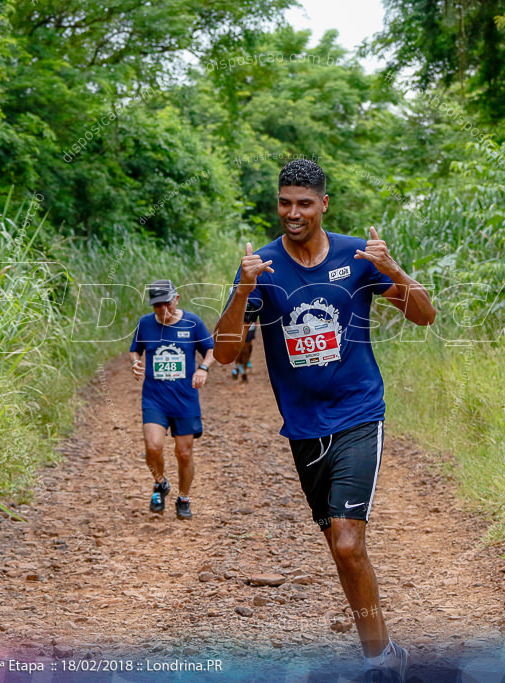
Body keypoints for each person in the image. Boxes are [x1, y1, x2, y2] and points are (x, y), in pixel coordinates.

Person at [212, 160, 436, 682]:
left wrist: (395, 269)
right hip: (304, 428)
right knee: (340, 550)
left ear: (323, 205)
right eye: (285, 202)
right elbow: (225, 355)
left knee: (347, 541)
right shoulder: (261, 268)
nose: (293, 213)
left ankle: (379, 664)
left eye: (304, 203)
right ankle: (384, 650)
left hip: (359, 412)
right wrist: (243, 290)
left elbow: (424, 315)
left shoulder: (358, 256)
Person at [130, 279, 215, 520]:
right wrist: (136, 363)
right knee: (153, 446)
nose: (163, 310)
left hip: (185, 400)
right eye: (157, 306)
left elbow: (211, 349)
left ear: (176, 299)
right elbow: (134, 349)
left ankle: (184, 498)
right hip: (154, 398)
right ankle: (160, 484)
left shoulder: (192, 322)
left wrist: (203, 369)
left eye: (167, 304)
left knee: (184, 453)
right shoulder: (145, 324)